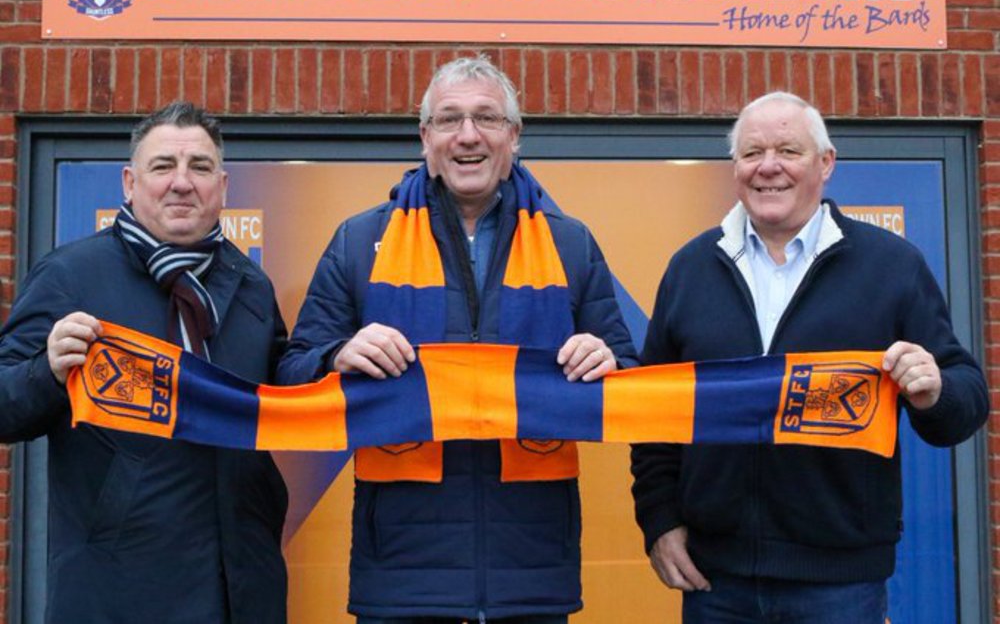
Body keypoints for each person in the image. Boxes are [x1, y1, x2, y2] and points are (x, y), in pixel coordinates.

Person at [277, 55, 637, 623]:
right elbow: (293, 372)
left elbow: (628, 380)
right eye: (449, 120)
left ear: (514, 136)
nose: (468, 136)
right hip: (400, 572)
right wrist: (337, 355)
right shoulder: (358, 240)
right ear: (425, 137)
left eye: (487, 118)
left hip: (532, 570)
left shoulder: (570, 243)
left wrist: (607, 360)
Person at [630, 91, 989, 623]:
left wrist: (935, 391)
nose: (767, 167)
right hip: (716, 582)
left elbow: (967, 398)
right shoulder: (691, 268)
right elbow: (652, 413)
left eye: (788, 151)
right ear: (735, 167)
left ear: (826, 164)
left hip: (840, 585)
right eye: (752, 153)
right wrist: (659, 521)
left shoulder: (891, 266)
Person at [0, 102, 289, 623]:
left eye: (199, 167)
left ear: (222, 187)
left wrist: (343, 362)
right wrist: (45, 371)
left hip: (240, 587)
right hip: (119, 589)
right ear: (130, 183)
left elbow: (287, 394)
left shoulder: (251, 287)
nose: (182, 183)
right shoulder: (71, 276)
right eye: (163, 167)